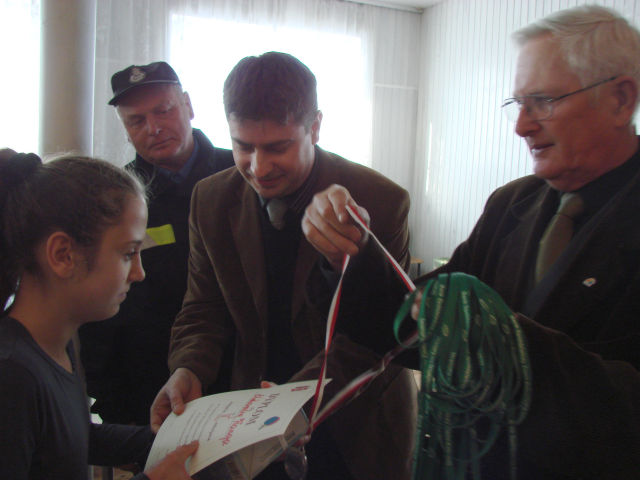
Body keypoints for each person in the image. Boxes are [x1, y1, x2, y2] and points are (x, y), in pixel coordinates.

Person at [303, 5, 640, 479]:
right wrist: (351, 253)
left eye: (543, 101)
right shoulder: (511, 206)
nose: (522, 126)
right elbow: (415, 330)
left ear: (621, 99)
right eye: (518, 104)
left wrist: (503, 344)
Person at [150, 51, 417, 479]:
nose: (258, 168)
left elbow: (377, 336)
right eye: (242, 146)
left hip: (354, 424)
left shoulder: (380, 200)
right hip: (252, 419)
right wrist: (188, 367)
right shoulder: (211, 199)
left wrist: (291, 403)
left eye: (277, 147)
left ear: (315, 127)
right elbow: (203, 305)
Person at [0, 152, 199, 479]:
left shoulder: (57, 348)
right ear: (63, 255)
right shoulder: (12, 376)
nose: (139, 273)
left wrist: (176, 439)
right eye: (128, 253)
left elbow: (73, 439)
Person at [79, 61, 235, 426]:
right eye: (136, 121)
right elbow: (95, 306)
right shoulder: (111, 201)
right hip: (147, 396)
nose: (154, 128)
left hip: (238, 382)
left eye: (163, 110)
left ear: (188, 105)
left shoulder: (242, 176)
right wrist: (109, 395)